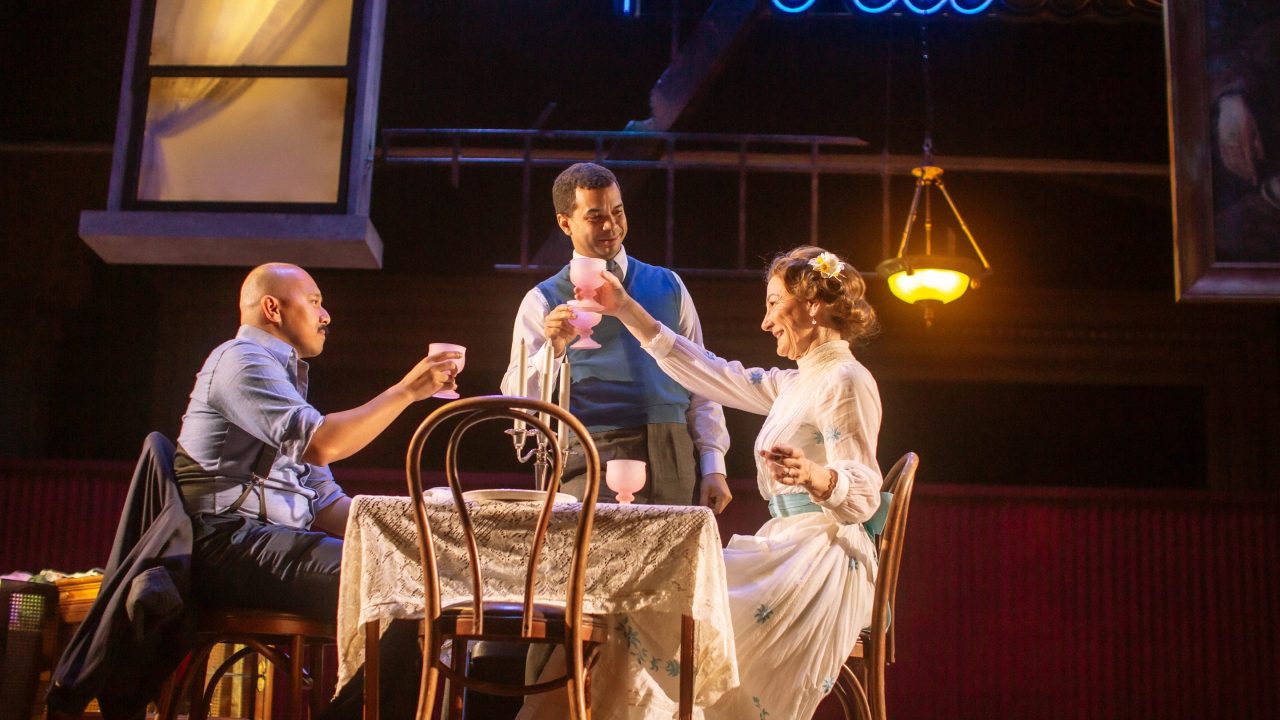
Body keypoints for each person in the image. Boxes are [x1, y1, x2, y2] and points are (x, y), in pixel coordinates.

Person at [589, 245, 883, 720]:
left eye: (772, 303)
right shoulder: (796, 383)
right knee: (656, 601)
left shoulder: (845, 378)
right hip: (784, 545)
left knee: (681, 614)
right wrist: (626, 309)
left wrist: (815, 476)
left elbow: (865, 489)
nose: (766, 322)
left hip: (819, 558)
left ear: (812, 304)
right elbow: (711, 372)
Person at [175, 262, 461, 719]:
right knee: (403, 590)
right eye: (314, 302)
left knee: (424, 580)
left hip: (267, 543)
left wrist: (422, 524)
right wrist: (407, 392)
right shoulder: (240, 360)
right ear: (272, 307)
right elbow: (325, 442)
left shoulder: (282, 381)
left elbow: (327, 505)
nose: (325, 315)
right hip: (227, 544)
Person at [501, 162, 732, 510]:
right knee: (596, 564)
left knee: (675, 563)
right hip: (593, 452)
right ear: (565, 223)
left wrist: (714, 464)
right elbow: (517, 400)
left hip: (674, 450)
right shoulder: (543, 299)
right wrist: (554, 349)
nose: (611, 225)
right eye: (595, 216)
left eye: (618, 211)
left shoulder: (668, 285)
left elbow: (703, 379)